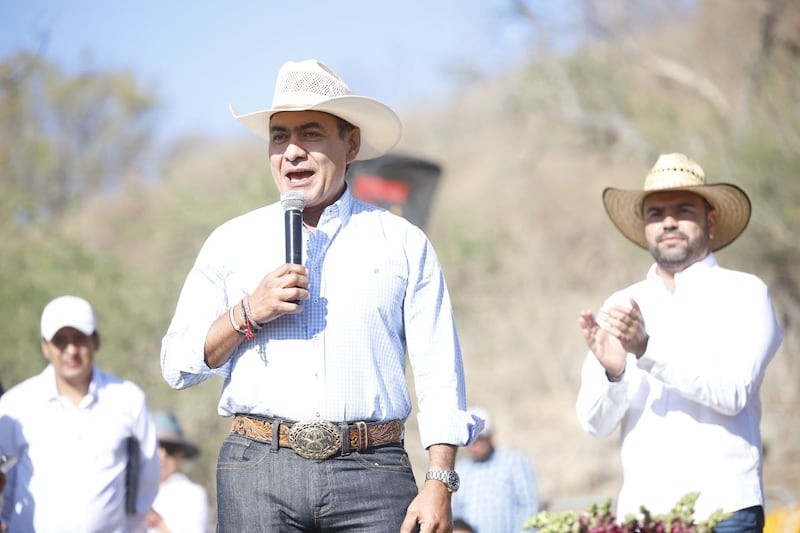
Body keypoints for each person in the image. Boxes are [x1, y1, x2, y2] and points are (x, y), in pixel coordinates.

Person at [160, 58, 481, 532]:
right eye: (279, 136)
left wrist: (439, 482)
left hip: (372, 472)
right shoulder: (231, 242)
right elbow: (176, 365)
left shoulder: (402, 242)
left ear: (350, 144)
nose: (291, 152)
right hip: (257, 471)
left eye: (310, 134)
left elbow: (440, 372)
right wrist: (247, 312)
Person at [576, 153, 783, 531]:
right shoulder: (622, 303)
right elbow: (595, 424)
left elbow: (734, 392)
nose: (668, 221)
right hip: (643, 516)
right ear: (644, 227)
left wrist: (647, 350)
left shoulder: (745, 293)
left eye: (683, 209)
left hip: (723, 511)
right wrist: (614, 372)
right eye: (655, 213)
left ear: (711, 221)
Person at [0, 295, 161, 532]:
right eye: (60, 341)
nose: (71, 350)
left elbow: (145, 480)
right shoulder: (16, 404)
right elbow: (5, 479)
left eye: (80, 339)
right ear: (45, 347)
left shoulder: (128, 400)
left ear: (96, 340)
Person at [452, 406, 539, 533]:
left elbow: (529, 506)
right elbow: (455, 511)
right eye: (472, 441)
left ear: (490, 435)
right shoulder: (461, 469)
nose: (476, 446)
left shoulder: (514, 462)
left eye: (481, 439)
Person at [146, 411, 210, 533]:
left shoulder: (192, 495)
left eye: (170, 449)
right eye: (156, 446)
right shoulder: (128, 489)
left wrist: (158, 522)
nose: (162, 455)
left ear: (180, 455)